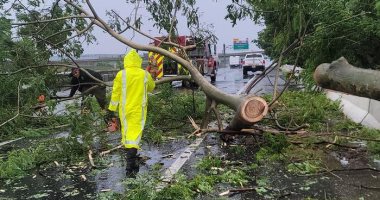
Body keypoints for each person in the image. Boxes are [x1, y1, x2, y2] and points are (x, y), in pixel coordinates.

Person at [107, 49, 156, 178]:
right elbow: (152, 87)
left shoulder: (121, 74)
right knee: (134, 136)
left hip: (124, 110)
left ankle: (131, 162)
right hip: (138, 110)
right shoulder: (144, 74)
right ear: (138, 61)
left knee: (127, 134)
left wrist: (111, 109)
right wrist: (149, 76)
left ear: (126, 61)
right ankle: (130, 165)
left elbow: (115, 93)